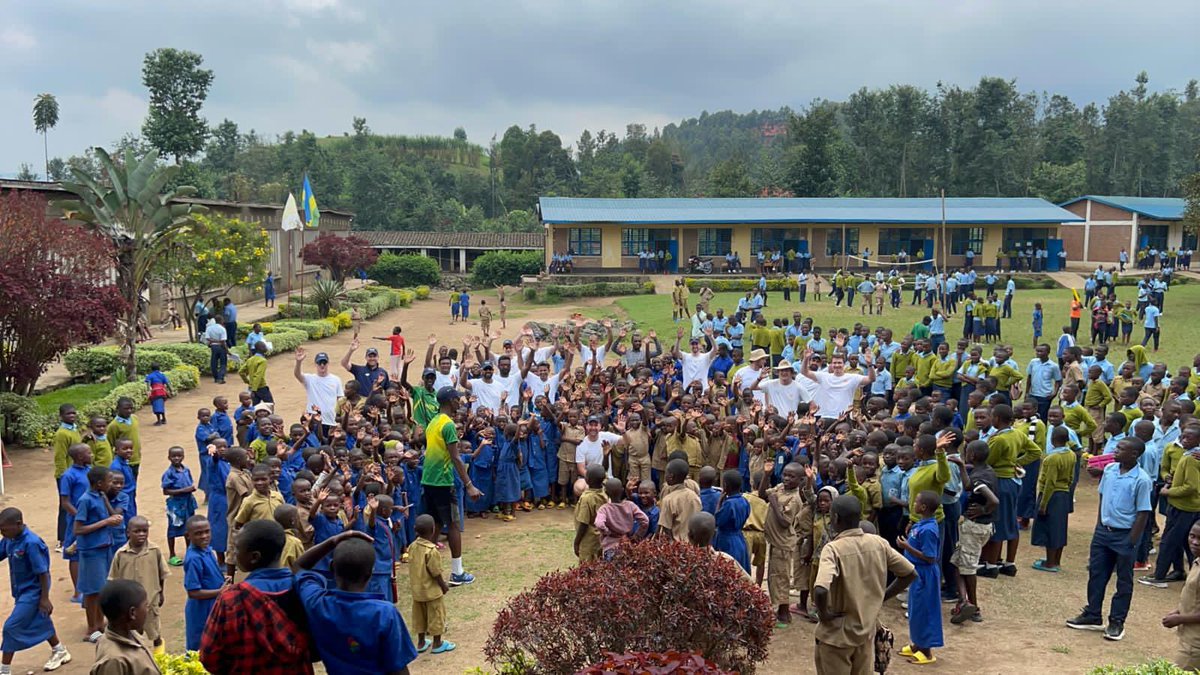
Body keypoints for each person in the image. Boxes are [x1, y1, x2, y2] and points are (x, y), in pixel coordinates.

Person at [813, 495, 916, 675]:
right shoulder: (879, 543)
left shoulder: (833, 549)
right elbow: (909, 573)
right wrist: (883, 595)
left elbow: (821, 589)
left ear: (835, 518)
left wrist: (824, 615)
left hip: (836, 636)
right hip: (866, 632)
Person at [294, 530, 419, 674]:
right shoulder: (384, 613)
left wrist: (332, 541)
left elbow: (299, 567)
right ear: (370, 573)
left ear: (332, 567)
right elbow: (399, 669)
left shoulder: (318, 604)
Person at [199, 519, 315, 674]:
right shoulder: (304, 589)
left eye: (237, 549)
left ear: (254, 557)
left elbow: (209, 657)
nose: (234, 553)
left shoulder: (231, 599)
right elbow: (317, 648)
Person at [1067, 437, 1153, 641]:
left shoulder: (1142, 479)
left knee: (1123, 581)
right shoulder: (1110, 470)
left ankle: (1116, 622)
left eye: (1121, 448)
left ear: (1134, 454)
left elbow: (1143, 513)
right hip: (1103, 533)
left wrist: (1131, 541)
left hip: (1125, 535)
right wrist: (1099, 525)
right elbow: (1102, 497)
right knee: (1097, 574)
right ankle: (1092, 614)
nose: (1115, 450)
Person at [422, 387, 483, 585]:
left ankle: (426, 568)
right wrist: (469, 485)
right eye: (457, 399)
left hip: (429, 480)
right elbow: (456, 457)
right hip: (443, 481)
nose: (460, 402)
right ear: (450, 401)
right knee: (454, 524)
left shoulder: (433, 422)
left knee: (437, 524)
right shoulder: (447, 425)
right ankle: (457, 573)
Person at [0, 508, 71, 673]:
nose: (1, 533)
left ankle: (4, 670)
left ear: (18, 524)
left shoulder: (31, 543)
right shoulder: (10, 539)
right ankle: (59, 650)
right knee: (41, 619)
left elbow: (43, 573)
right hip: (20, 591)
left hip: (33, 593)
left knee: (11, 627)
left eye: (4, 529)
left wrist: (44, 599)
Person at [106, 516, 168, 654]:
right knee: (133, 632)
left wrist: (161, 593)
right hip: (128, 604)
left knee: (154, 631)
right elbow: (114, 579)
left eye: (144, 531)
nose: (141, 534)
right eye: (137, 531)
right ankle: (137, 656)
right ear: (128, 533)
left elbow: (161, 574)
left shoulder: (155, 550)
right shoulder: (121, 554)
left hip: (150, 600)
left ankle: (159, 659)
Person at [896, 491, 943, 665]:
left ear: (923, 507)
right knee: (915, 611)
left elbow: (930, 557)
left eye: (916, 501)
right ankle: (917, 644)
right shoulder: (921, 524)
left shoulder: (930, 529)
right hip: (915, 572)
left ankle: (927, 651)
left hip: (925, 574)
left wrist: (906, 546)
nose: (913, 504)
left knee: (925, 611)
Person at [76, 465, 119, 643]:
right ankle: (91, 628)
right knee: (92, 591)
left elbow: (111, 513)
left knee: (102, 588)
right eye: (109, 481)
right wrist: (106, 522)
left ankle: (100, 623)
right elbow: (78, 529)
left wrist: (111, 514)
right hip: (91, 550)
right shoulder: (85, 500)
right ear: (99, 483)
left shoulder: (100, 495)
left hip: (104, 545)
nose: (112, 484)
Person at [90, 580, 157, 675]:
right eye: (146, 605)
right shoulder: (113, 661)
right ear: (132, 613)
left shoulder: (130, 634)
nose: (148, 610)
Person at [1032, 426, 1075, 573]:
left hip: (1051, 495)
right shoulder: (1071, 454)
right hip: (1064, 493)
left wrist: (1043, 504)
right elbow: (1071, 477)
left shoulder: (1052, 458)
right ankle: (1056, 560)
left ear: (1052, 440)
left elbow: (1050, 482)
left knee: (1049, 529)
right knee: (1060, 527)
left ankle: (1050, 563)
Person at [409, 514, 453, 654]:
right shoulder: (431, 551)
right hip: (432, 592)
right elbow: (435, 572)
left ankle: (421, 642)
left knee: (420, 617)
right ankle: (437, 643)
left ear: (415, 529)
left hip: (417, 591)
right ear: (433, 530)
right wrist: (443, 586)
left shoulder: (412, 546)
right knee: (436, 616)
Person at [183, 516, 227, 651]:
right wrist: (220, 591)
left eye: (207, 531)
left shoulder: (207, 550)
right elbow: (193, 592)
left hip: (213, 605)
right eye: (198, 533)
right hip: (201, 610)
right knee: (200, 646)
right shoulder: (193, 558)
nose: (204, 536)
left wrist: (223, 580)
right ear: (188, 536)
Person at [1162, 520, 1200, 670]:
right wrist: (1179, 610)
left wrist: (1181, 618)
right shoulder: (1197, 561)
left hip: (1195, 644)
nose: (1195, 542)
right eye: (1192, 536)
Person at [293, 348, 344, 441]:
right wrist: (298, 362)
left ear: (328, 363)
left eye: (324, 362)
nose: (322, 365)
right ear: (315, 364)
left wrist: (340, 419)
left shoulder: (336, 379)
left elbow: (340, 399)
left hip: (331, 420)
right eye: (319, 363)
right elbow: (297, 374)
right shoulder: (309, 379)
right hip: (314, 421)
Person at [573, 465, 609, 563]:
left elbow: (584, 523)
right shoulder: (604, 492)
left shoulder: (587, 498)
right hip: (599, 537)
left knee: (586, 566)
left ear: (587, 480)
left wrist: (576, 542)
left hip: (588, 539)